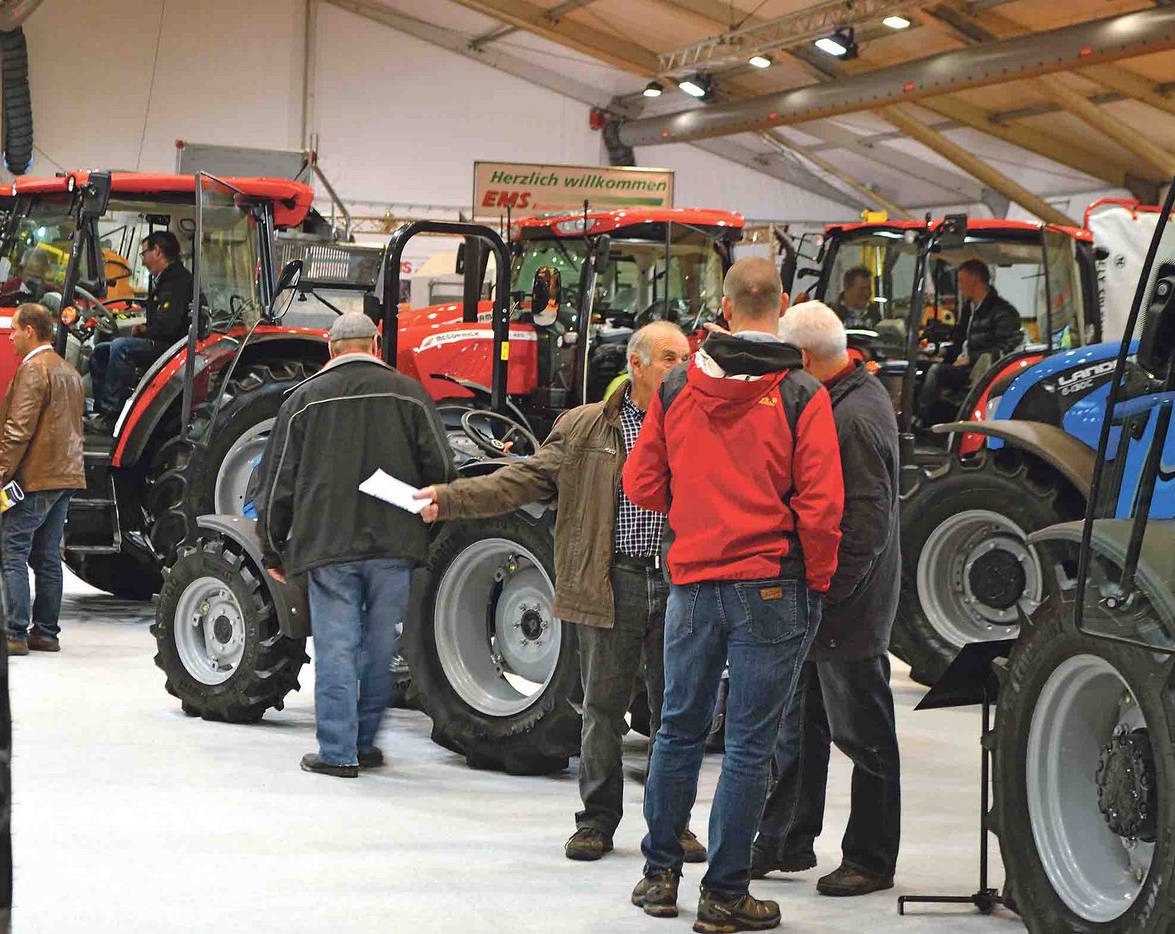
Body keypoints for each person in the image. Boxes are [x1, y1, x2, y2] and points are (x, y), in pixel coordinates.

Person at [414, 321, 707, 865]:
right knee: (601, 709)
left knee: (676, 715)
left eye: (687, 356)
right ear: (637, 364)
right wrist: (449, 499)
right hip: (609, 580)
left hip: (679, 584)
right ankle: (597, 821)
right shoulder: (585, 429)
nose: (682, 367)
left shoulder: (700, 425)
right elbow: (517, 481)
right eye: (670, 357)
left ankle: (674, 825)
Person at [623, 257, 844, 931]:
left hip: (691, 581)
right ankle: (724, 895)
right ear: (782, 305)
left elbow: (642, 484)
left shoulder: (678, 385)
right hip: (771, 586)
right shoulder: (804, 393)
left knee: (677, 730)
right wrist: (819, 576)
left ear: (721, 305)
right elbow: (823, 505)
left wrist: (692, 509)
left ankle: (660, 876)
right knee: (749, 745)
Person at [255, 312, 456, 778]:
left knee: (337, 646)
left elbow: (277, 479)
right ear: (377, 344)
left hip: (328, 546)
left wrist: (272, 548)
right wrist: (427, 528)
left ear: (331, 349)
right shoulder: (410, 393)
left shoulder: (304, 400)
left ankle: (338, 752)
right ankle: (364, 744)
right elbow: (442, 469)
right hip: (395, 546)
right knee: (378, 649)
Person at [753, 301, 902, 897]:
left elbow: (866, 528)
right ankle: (787, 839)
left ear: (807, 358)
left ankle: (870, 858)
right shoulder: (839, 399)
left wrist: (823, 594)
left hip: (849, 607)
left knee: (863, 737)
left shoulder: (853, 420)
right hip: (827, 601)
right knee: (800, 724)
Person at [0, 303, 86, 656]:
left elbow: (18, 431)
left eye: (15, 329)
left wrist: (0, 476)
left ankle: (14, 632)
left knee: (12, 548)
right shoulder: (69, 372)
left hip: (34, 479)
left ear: (30, 330)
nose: (11, 335)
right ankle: (45, 633)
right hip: (65, 477)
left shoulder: (34, 370)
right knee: (47, 555)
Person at [87, 230, 193, 430]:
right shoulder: (164, 279)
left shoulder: (176, 281)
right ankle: (101, 411)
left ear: (157, 252)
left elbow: (167, 325)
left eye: (144, 254)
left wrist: (143, 330)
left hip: (170, 346)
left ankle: (113, 415)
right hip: (162, 340)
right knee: (101, 351)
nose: (143, 260)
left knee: (121, 347)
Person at [916, 258, 1023, 426]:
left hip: (978, 370)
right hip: (962, 364)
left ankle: (923, 420)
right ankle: (915, 415)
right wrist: (941, 351)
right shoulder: (969, 309)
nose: (959, 286)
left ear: (974, 281)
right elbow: (960, 342)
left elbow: (1007, 348)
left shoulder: (1003, 312)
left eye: (961, 281)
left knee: (936, 371)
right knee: (918, 366)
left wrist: (972, 358)